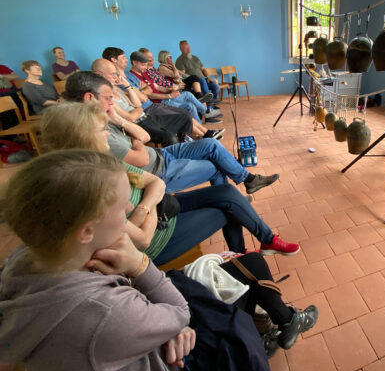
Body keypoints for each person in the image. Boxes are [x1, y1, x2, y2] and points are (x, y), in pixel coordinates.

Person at [0, 149, 317, 370]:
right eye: (120, 206)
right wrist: (140, 268)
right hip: (174, 358)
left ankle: (280, 318)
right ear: (86, 231)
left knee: (240, 253)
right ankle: (279, 324)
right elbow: (178, 312)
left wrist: (160, 326)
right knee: (252, 268)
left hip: (140, 333)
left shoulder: (26, 259)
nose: (127, 210)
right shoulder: (102, 313)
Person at [41, 101, 301, 262]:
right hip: (157, 241)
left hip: (161, 209)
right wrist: (148, 205)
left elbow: (155, 183)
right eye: (101, 131)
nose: (108, 135)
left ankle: (264, 241)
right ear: (80, 138)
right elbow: (141, 239)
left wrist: (146, 206)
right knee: (231, 209)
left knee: (225, 192)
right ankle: (242, 258)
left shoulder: (102, 161)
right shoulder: (85, 189)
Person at [63, 72, 280, 195]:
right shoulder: (94, 133)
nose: (112, 102)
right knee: (215, 167)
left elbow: (145, 138)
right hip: (159, 171)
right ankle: (227, 199)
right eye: (108, 98)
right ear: (89, 98)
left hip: (161, 156)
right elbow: (139, 154)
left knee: (210, 145)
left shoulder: (104, 117)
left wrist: (120, 120)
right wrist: (130, 133)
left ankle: (248, 179)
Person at [91, 58, 223, 143]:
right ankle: (205, 119)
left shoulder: (118, 87)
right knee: (187, 105)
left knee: (187, 107)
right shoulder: (103, 96)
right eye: (113, 74)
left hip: (146, 111)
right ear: (99, 74)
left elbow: (139, 101)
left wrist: (127, 86)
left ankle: (205, 134)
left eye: (117, 74)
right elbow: (137, 106)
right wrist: (167, 95)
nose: (116, 77)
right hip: (146, 113)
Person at [127, 51, 222, 125]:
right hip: (160, 102)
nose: (145, 67)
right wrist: (169, 95)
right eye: (143, 65)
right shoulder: (133, 76)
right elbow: (149, 94)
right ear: (134, 63)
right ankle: (206, 112)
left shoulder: (144, 73)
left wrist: (169, 89)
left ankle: (201, 126)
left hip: (165, 96)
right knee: (189, 96)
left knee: (190, 102)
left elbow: (157, 87)